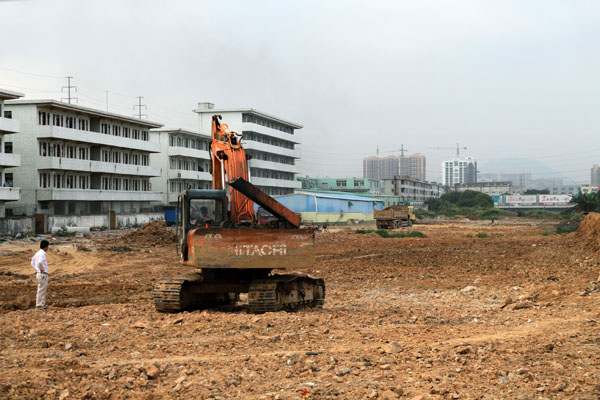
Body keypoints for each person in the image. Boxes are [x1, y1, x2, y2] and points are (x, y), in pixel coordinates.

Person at [31, 240, 50, 309]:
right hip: (42, 274)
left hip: (39, 273)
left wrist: (37, 269)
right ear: (46, 246)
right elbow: (40, 262)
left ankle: (40, 304)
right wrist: (41, 269)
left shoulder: (37, 253)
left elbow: (32, 261)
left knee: (40, 289)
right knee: (42, 289)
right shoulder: (42, 254)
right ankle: (40, 305)